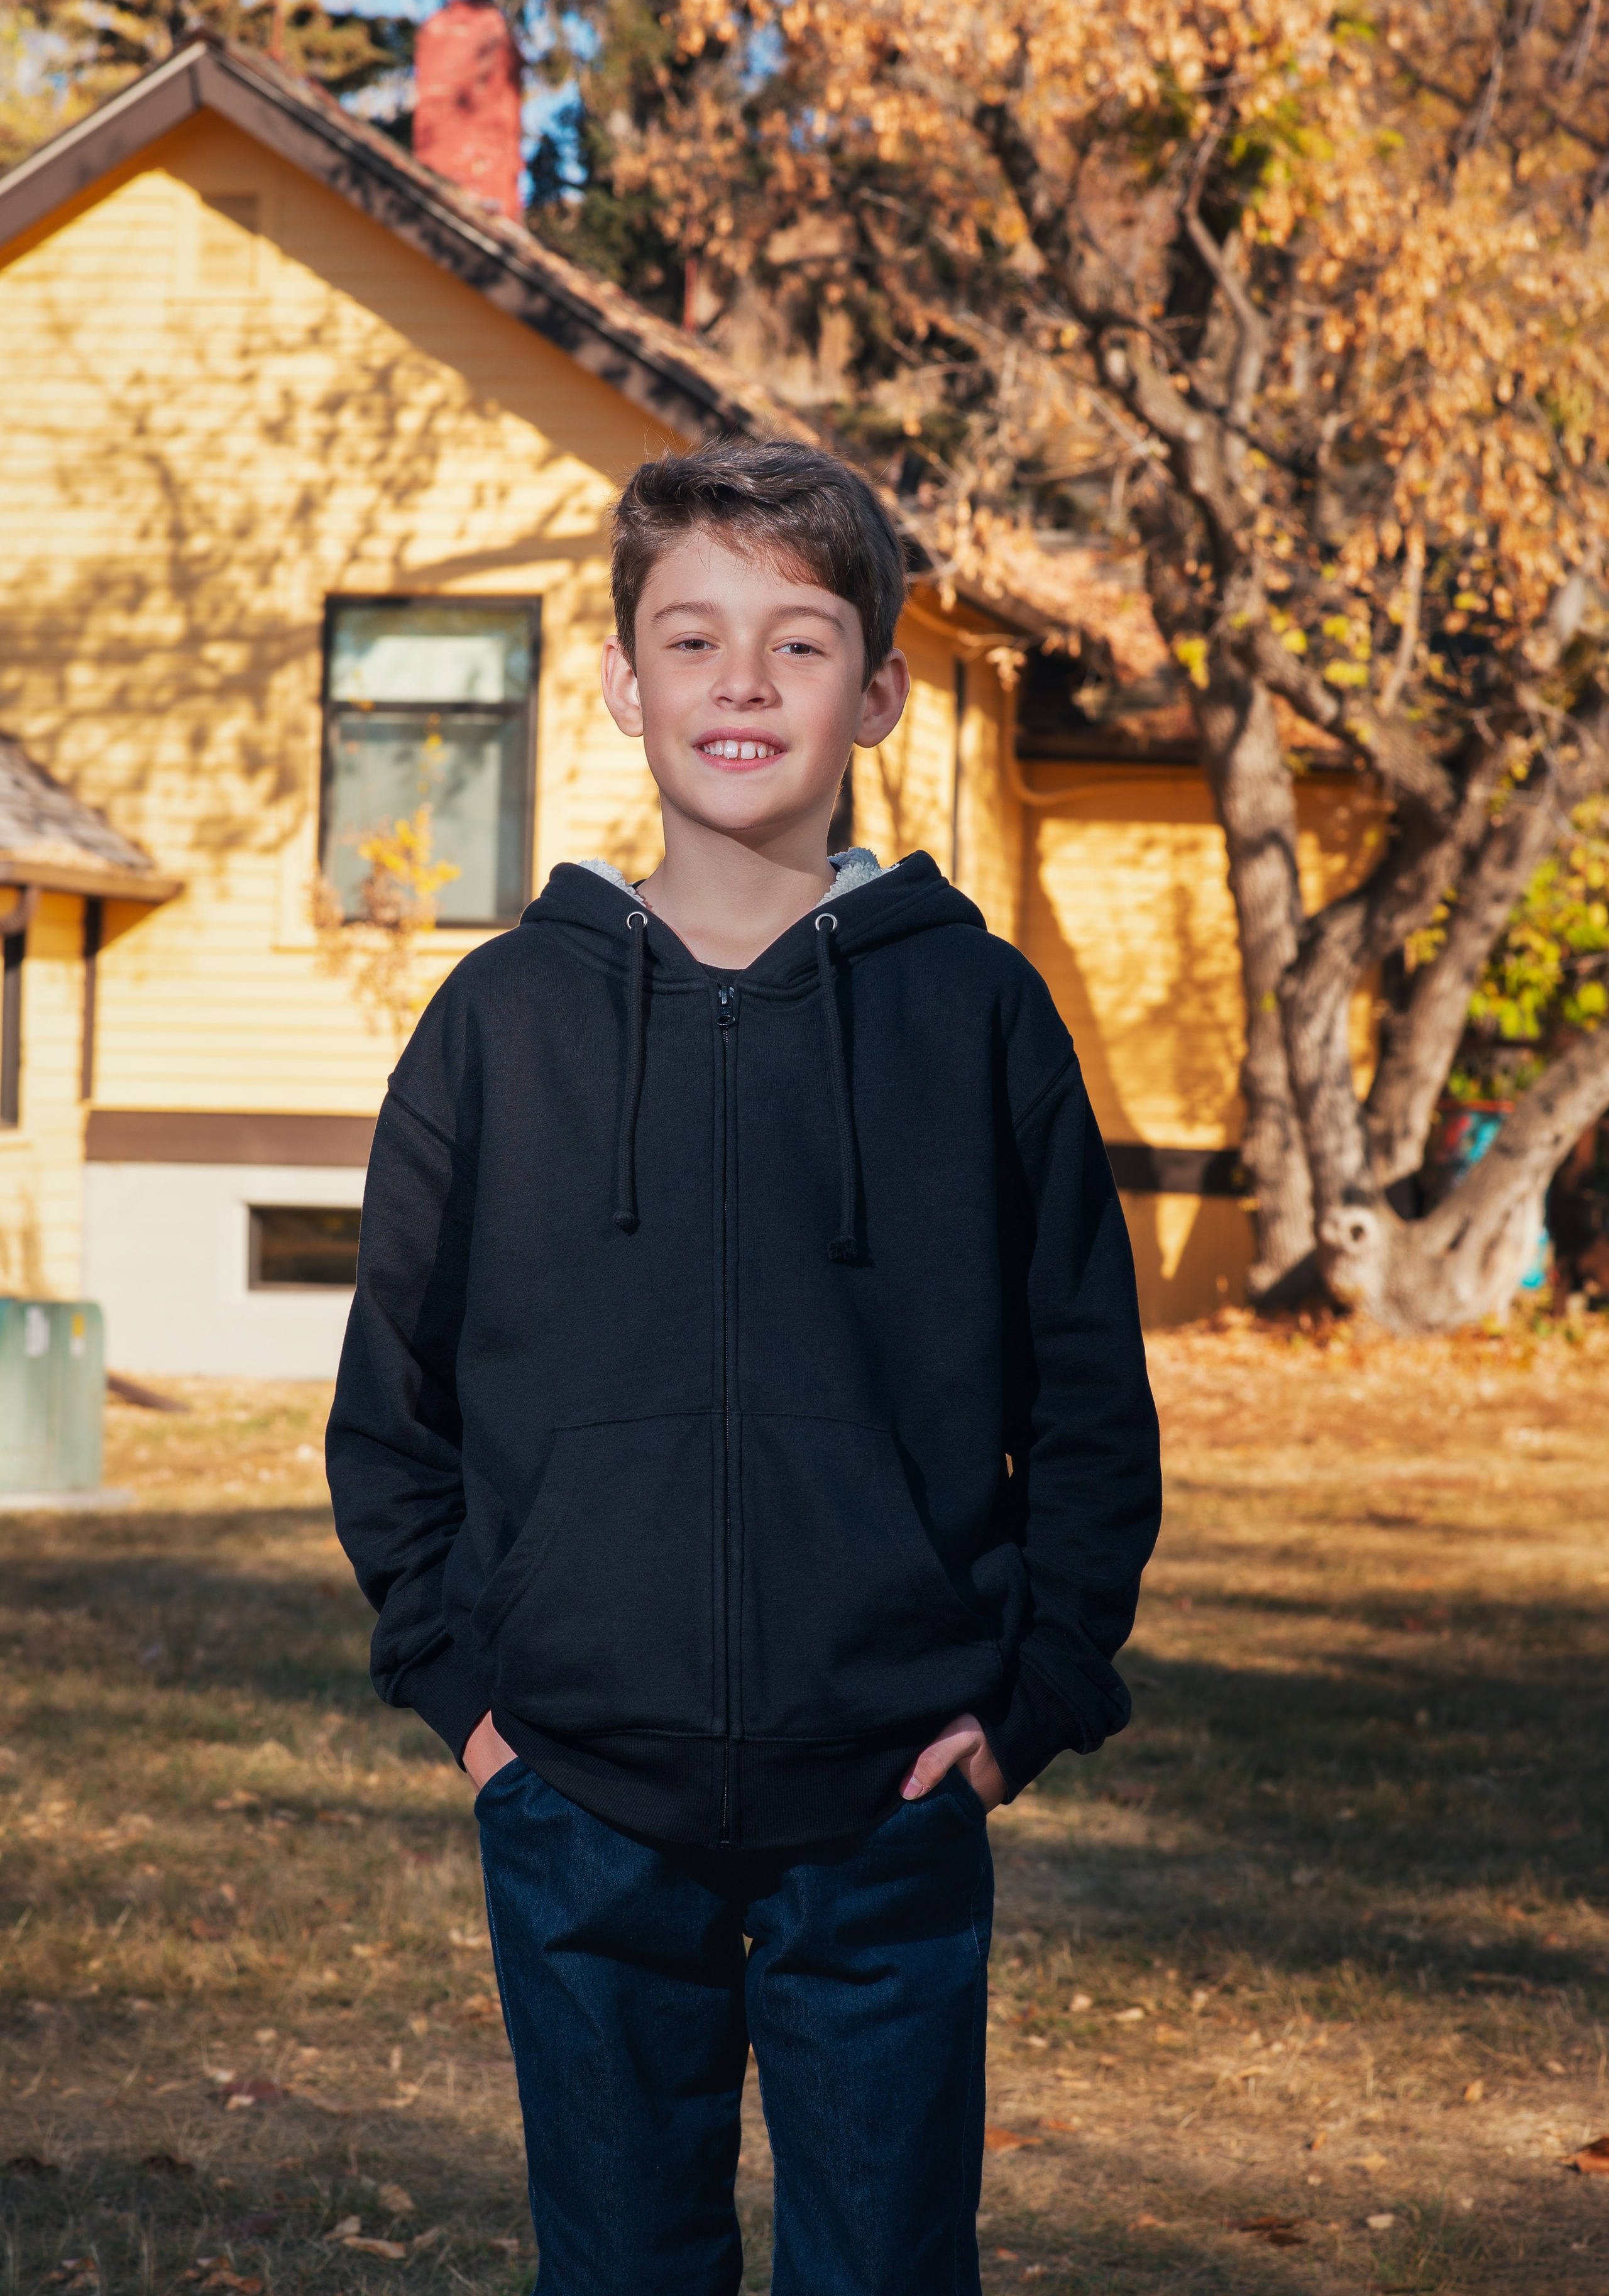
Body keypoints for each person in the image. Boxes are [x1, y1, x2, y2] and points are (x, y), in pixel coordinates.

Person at [327, 437, 1161, 2295]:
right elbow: (395, 1406)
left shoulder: (977, 1013)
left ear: (879, 692)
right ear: (623, 683)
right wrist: (473, 1705)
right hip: (575, 1792)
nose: (744, 683)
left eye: (800, 642)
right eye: (692, 638)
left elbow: (1089, 1400)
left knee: (884, 2268)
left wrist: (1028, 1704)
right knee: (620, 2266)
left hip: (890, 1791)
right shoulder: (500, 1023)